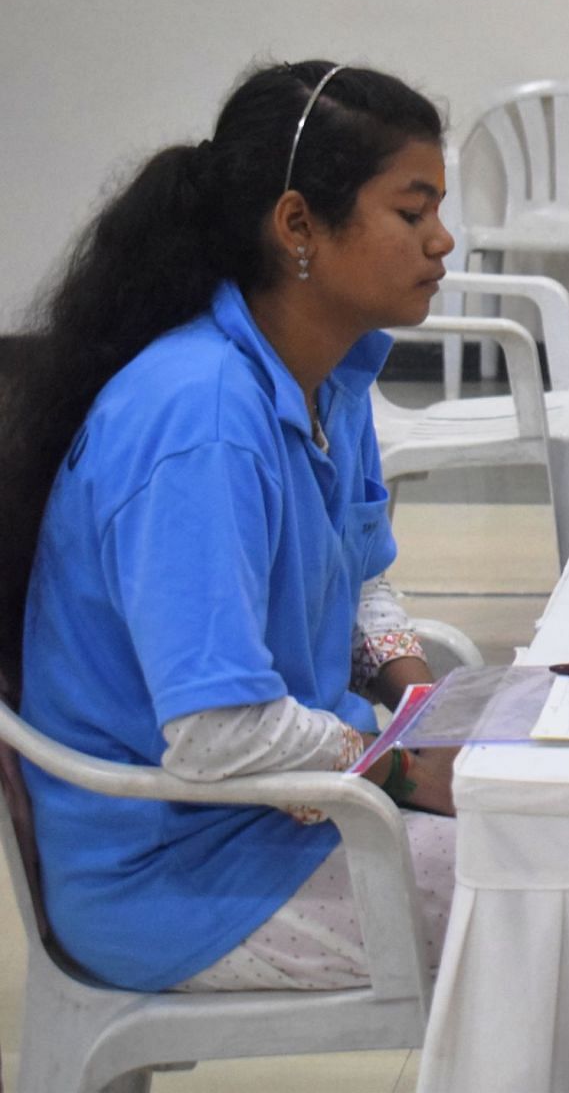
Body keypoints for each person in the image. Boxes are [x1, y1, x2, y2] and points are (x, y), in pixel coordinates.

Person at [0, 61, 462, 992]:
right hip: (183, 875)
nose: (442, 241)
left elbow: (359, 573)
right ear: (298, 225)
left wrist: (422, 704)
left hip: (280, 817)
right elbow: (220, 732)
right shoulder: (200, 418)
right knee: (567, 895)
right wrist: (407, 773)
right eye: (411, 214)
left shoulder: (331, 371)